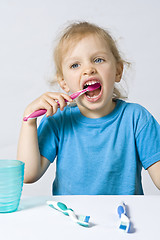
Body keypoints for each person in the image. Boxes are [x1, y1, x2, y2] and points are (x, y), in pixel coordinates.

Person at [17, 21, 160, 195]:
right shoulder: (58, 119)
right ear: (63, 82)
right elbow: (27, 175)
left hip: (122, 217)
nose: (88, 70)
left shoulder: (137, 119)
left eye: (98, 60)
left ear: (117, 71)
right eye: (75, 65)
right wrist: (29, 120)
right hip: (73, 218)